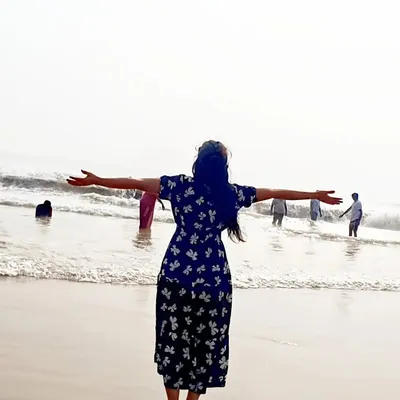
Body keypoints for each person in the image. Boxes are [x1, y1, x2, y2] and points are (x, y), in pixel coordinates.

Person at [67, 140, 342, 400]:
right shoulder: (232, 194)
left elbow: (136, 182)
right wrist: (313, 195)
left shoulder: (180, 186)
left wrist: (98, 180)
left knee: (174, 338)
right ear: (223, 167)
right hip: (213, 277)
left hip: (177, 271)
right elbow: (274, 192)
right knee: (206, 341)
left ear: (198, 163)